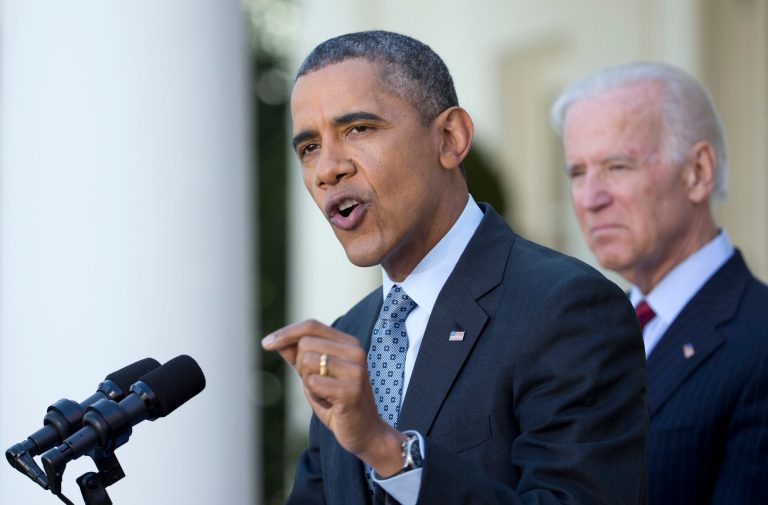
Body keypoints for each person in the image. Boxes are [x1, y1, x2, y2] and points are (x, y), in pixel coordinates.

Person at [262, 30, 648, 505]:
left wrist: (389, 451)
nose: (327, 169)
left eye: (358, 129)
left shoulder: (567, 309)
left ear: (450, 138)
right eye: (309, 148)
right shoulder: (350, 335)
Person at [551, 62, 768, 505]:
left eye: (617, 166)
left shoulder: (759, 339)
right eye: (577, 172)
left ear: (698, 172)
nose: (591, 199)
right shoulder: (579, 335)